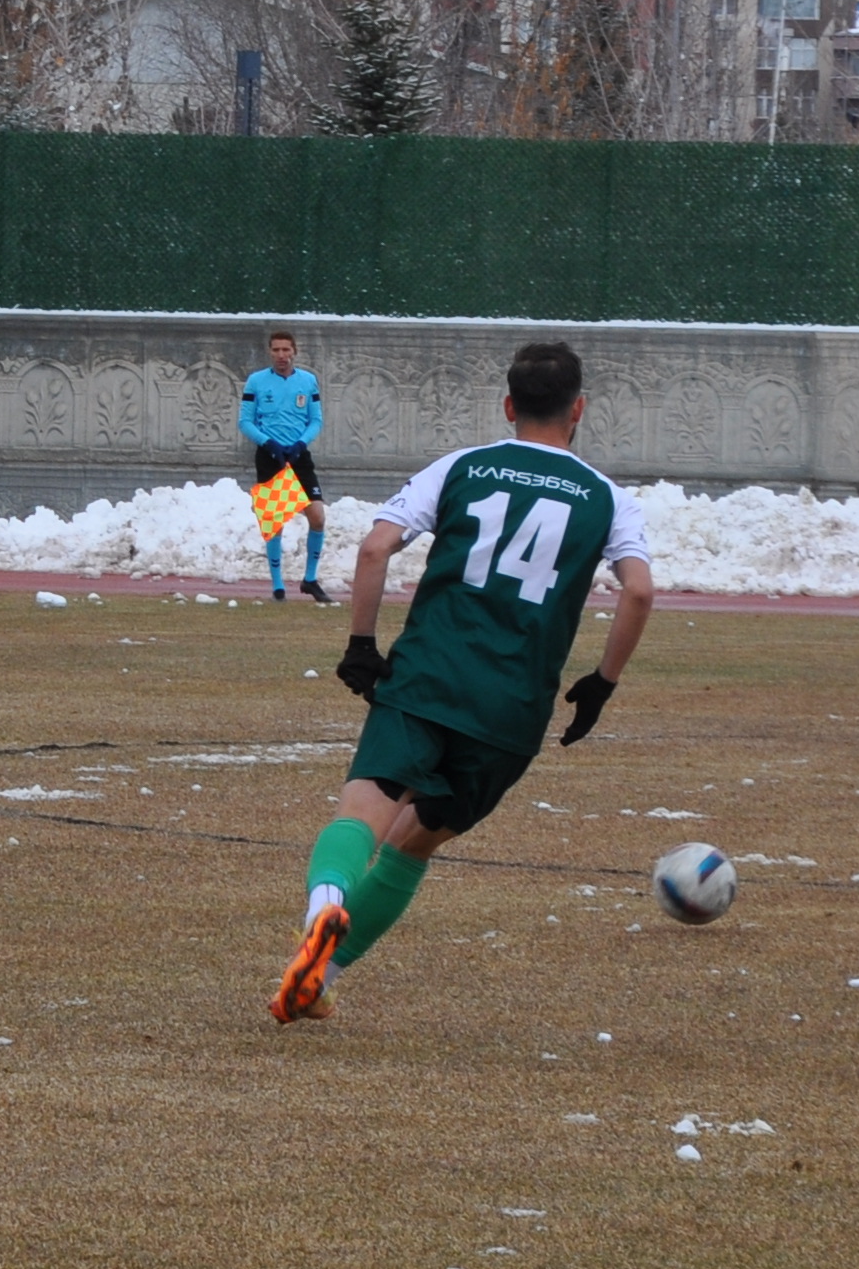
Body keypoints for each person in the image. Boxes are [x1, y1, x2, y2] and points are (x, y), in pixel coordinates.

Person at [273, 340, 655, 1025]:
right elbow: (639, 594)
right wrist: (601, 682)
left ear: (508, 406)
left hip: (427, 675)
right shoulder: (606, 498)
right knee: (414, 842)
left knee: (363, 812)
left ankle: (323, 913)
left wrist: (362, 643)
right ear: (579, 410)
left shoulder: (464, 466)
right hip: (511, 707)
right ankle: (321, 975)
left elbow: (373, 547)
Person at [243, 328, 332, 605]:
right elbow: (245, 421)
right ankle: (278, 585)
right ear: (270, 352)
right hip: (270, 456)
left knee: (317, 516)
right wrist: (268, 443)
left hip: (298, 456)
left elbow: (316, 420)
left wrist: (300, 444)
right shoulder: (256, 381)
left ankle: (310, 579)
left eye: (286, 350)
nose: (281, 355)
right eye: (276, 350)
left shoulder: (307, 381)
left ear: (294, 352)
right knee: (275, 521)